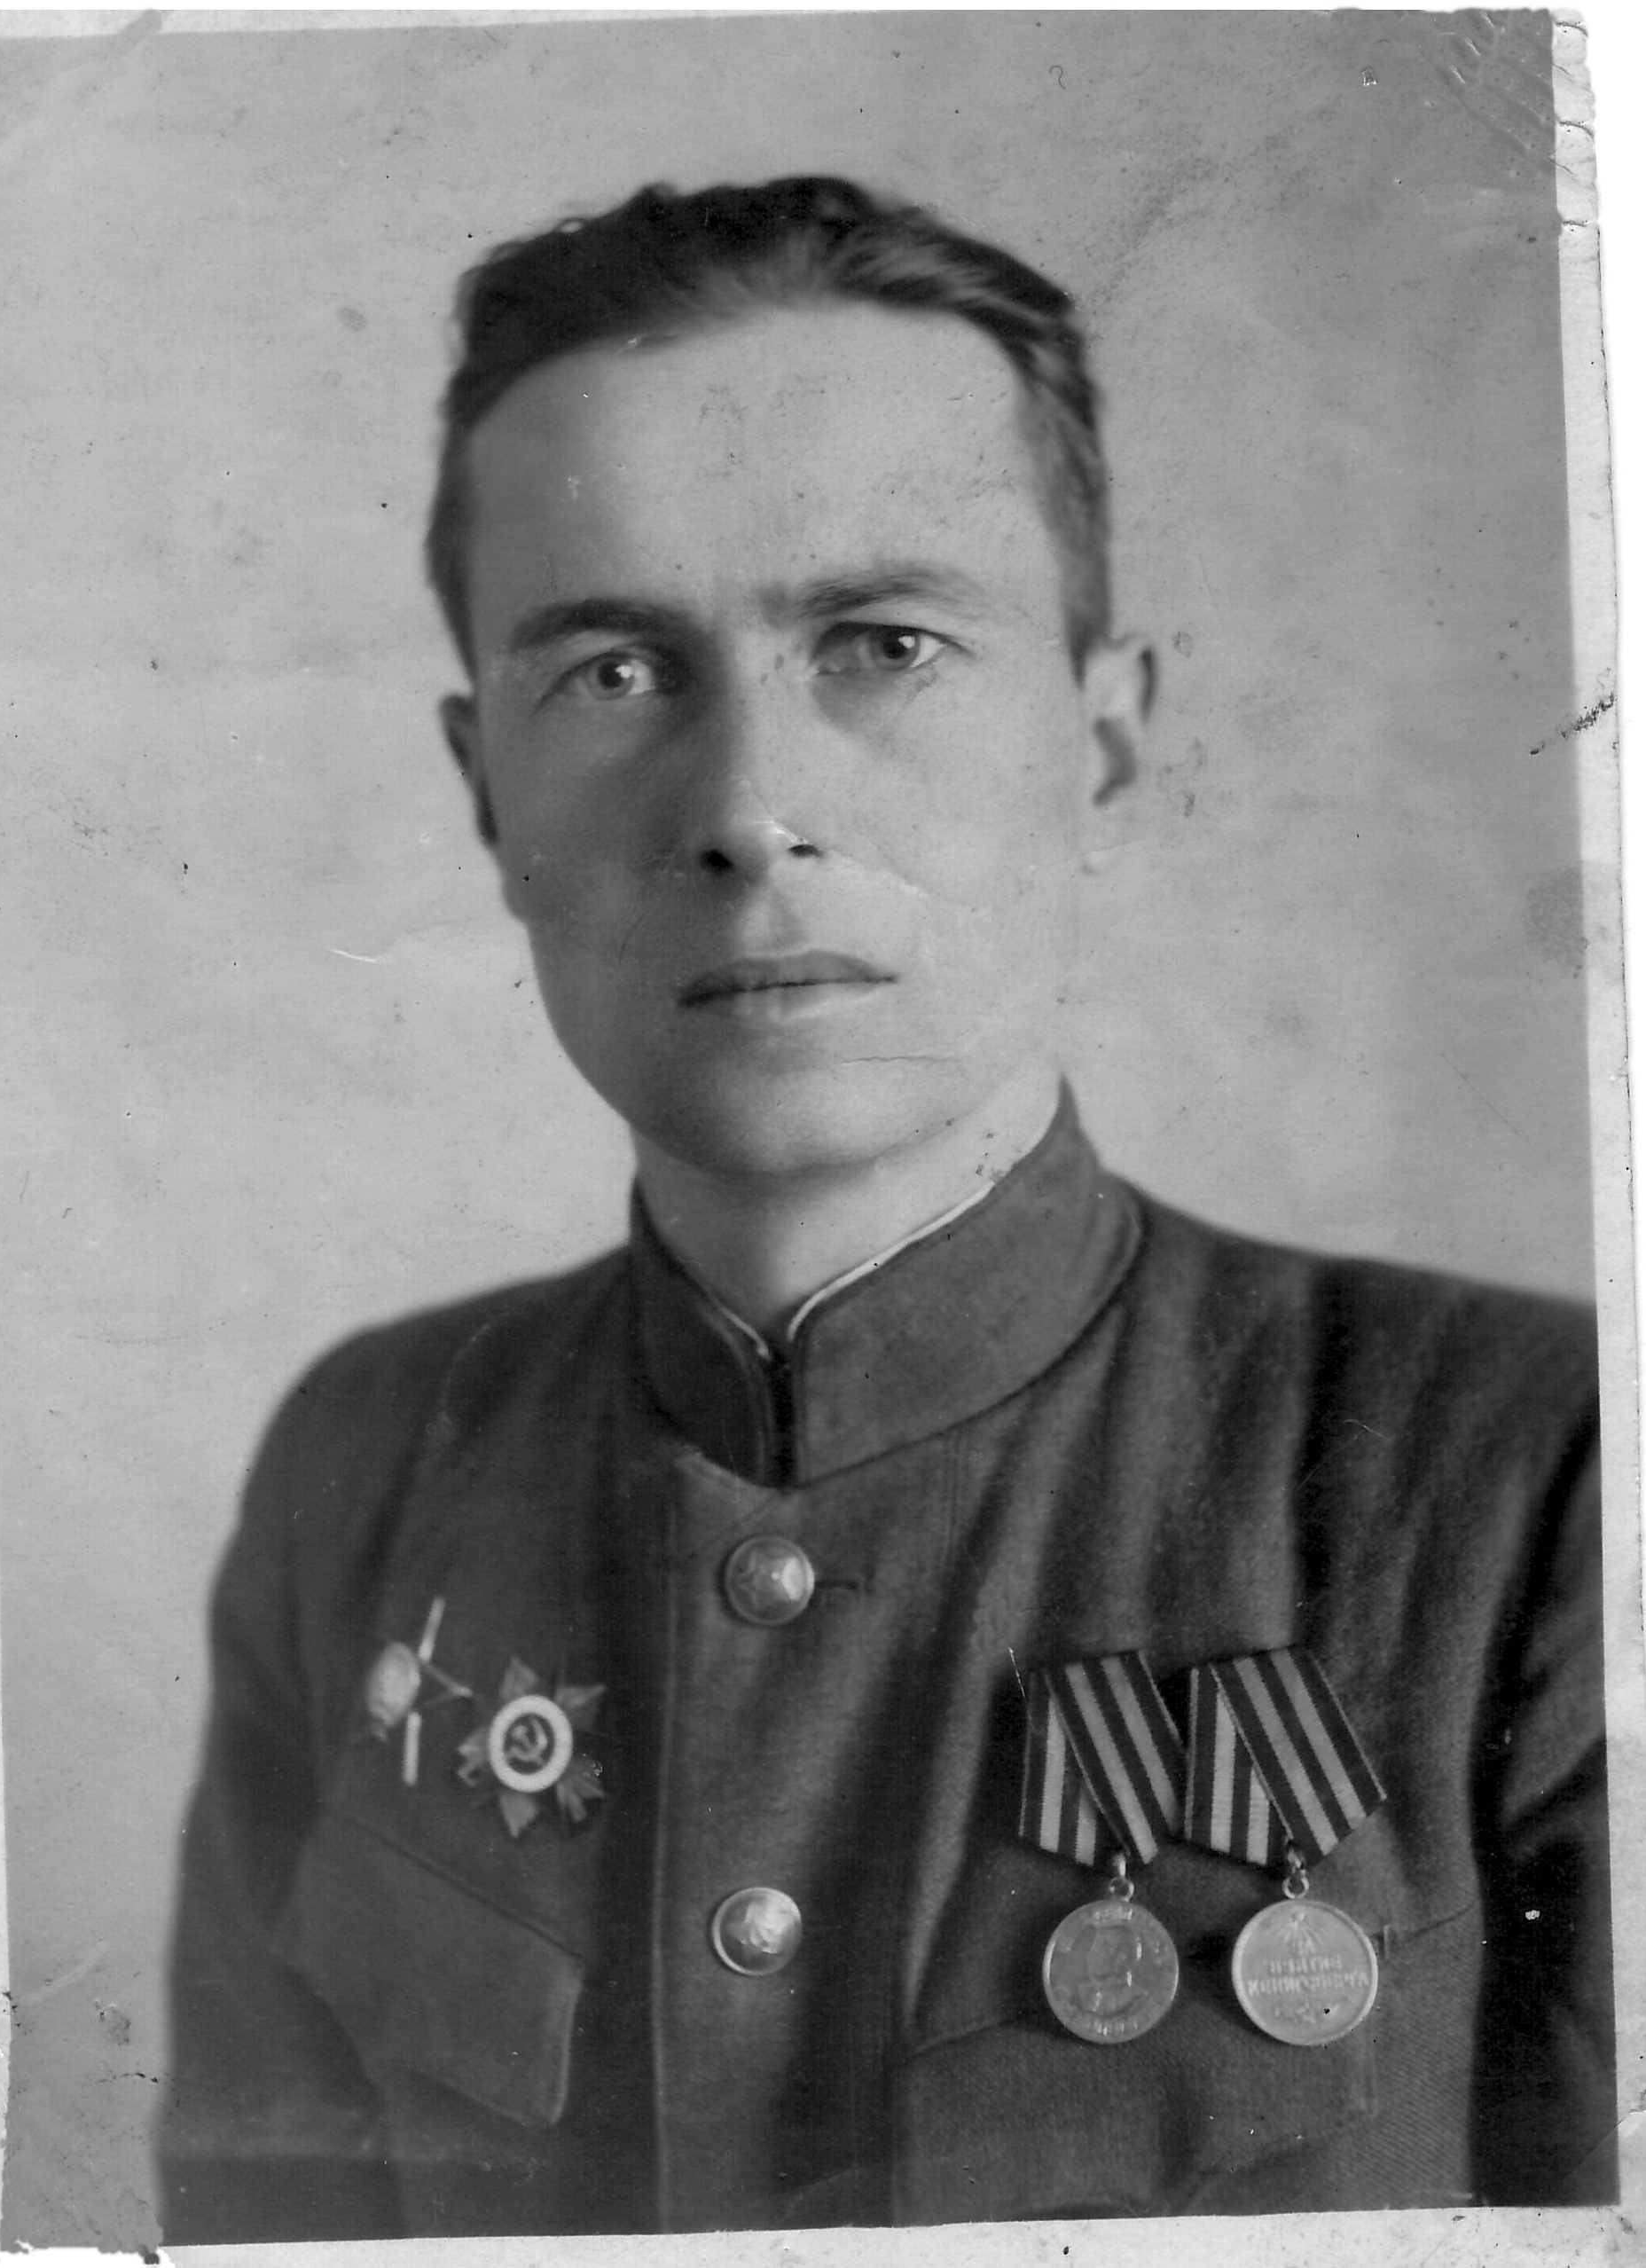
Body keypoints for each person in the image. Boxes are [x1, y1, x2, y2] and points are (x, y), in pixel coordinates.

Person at [156, 177, 1614, 2239]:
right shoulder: (367, 1465)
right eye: (614, 671)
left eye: (885, 644)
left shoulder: (1540, 1474)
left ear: (1103, 743)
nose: (751, 808)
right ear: (486, 791)